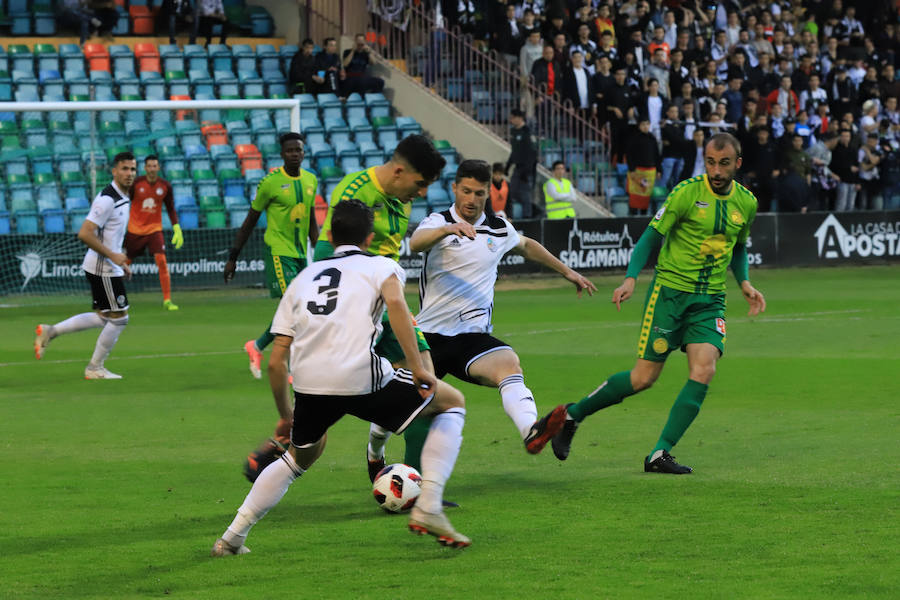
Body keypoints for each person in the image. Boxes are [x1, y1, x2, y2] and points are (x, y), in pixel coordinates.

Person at [210, 200, 471, 555]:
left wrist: (287, 417)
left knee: (296, 460)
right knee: (452, 403)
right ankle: (429, 505)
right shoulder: (383, 265)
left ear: (330, 235)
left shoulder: (304, 277)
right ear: (369, 236)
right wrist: (419, 367)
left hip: (309, 384)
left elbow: (275, 363)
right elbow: (397, 307)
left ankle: (231, 538)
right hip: (360, 374)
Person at [540, 133, 766, 474]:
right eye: (710, 162)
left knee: (704, 369)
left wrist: (745, 282)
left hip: (709, 302)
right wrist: (631, 277)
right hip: (669, 295)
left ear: (738, 163)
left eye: (723, 163)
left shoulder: (746, 203)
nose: (716, 170)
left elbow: (738, 247)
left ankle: (659, 453)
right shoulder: (686, 192)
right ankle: (572, 415)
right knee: (643, 378)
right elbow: (650, 236)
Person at [366, 160, 594, 477]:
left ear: (488, 193)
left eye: (480, 193)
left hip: (471, 339)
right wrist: (448, 229)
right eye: (467, 191)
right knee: (403, 404)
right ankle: (375, 452)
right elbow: (416, 242)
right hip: (428, 337)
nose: (472, 200)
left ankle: (532, 430)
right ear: (455, 189)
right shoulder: (438, 220)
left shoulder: (498, 227)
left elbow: (527, 246)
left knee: (510, 365)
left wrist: (568, 272)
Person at [34, 152, 137, 380]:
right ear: (114, 171)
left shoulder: (123, 196)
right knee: (119, 318)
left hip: (107, 265)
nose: (129, 174)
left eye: (132, 169)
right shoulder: (107, 199)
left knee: (104, 316)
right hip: (103, 267)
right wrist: (113, 256)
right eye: (124, 169)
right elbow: (85, 233)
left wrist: (120, 260)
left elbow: (111, 236)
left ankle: (51, 331)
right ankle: (94, 367)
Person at [224, 133, 319, 379]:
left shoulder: (311, 180)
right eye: (290, 150)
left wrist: (319, 257)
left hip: (300, 255)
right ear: (282, 154)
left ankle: (256, 346)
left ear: (304, 152)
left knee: (298, 309)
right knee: (296, 309)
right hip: (278, 251)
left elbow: (310, 222)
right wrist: (233, 256)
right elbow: (249, 221)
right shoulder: (270, 183)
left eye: (298, 150)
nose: (294, 154)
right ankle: (291, 367)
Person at [124, 155, 182, 311]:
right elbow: (123, 201)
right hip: (135, 230)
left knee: (162, 262)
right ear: (145, 168)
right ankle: (111, 295)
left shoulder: (165, 186)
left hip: (154, 230)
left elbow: (170, 208)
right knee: (124, 264)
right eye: (149, 166)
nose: (151, 169)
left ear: (158, 168)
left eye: (154, 166)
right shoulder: (136, 184)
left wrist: (176, 227)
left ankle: (167, 300)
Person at [506, 109, 538, 219]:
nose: (511, 120)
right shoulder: (514, 131)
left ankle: (527, 217)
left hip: (527, 169)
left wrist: (527, 170)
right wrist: (508, 166)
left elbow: (532, 154)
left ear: (519, 118)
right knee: (512, 192)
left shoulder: (527, 132)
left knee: (525, 195)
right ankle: (513, 217)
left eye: (512, 118)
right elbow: (514, 151)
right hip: (517, 168)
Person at [625, 117, 661, 215]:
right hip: (637, 172)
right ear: (639, 126)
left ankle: (643, 217)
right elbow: (629, 154)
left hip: (650, 172)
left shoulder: (652, 138)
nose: (645, 127)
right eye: (643, 124)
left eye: (647, 124)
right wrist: (631, 169)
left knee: (645, 197)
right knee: (635, 197)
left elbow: (657, 155)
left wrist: (659, 170)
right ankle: (633, 217)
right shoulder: (634, 138)